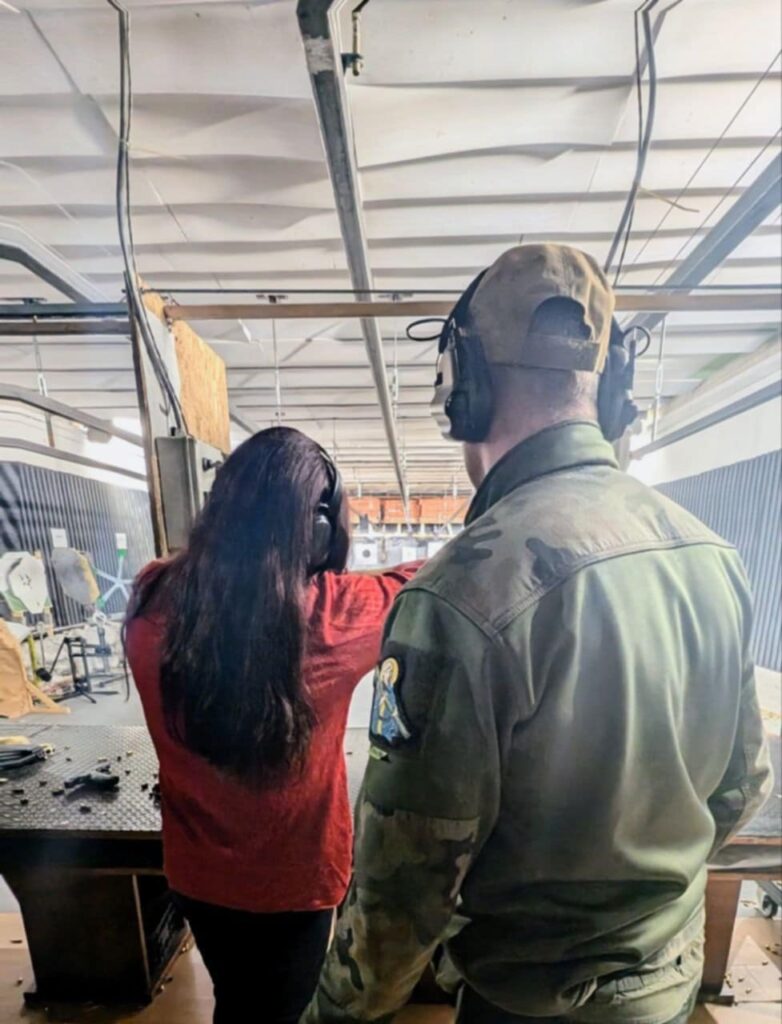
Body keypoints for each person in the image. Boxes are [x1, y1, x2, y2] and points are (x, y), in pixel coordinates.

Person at [306, 245, 772, 1024]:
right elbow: (742, 784)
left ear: (462, 385)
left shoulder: (458, 595)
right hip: (668, 986)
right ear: (613, 388)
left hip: (534, 1004)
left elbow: (403, 896)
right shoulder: (711, 555)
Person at [123, 427, 420, 1024]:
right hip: (297, 884)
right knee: (283, 1010)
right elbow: (427, 579)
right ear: (316, 531)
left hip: (197, 876)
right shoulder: (336, 613)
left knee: (236, 999)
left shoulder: (152, 594)